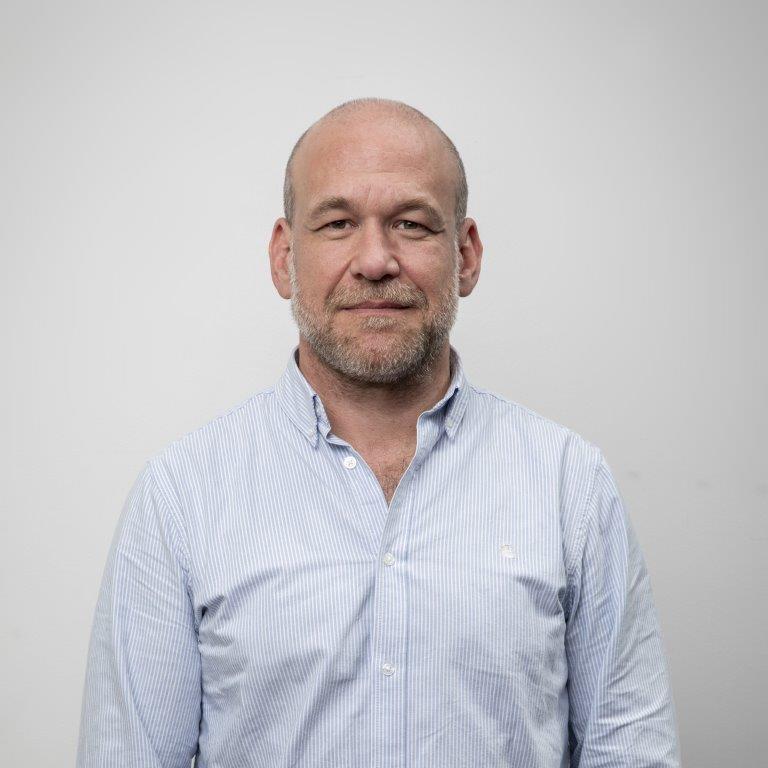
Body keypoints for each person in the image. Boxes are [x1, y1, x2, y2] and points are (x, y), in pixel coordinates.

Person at [76, 97, 681, 767]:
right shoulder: (180, 495)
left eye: (411, 224)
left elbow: (631, 752)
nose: (374, 260)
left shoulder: (569, 483)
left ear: (466, 255)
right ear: (284, 257)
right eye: (337, 223)